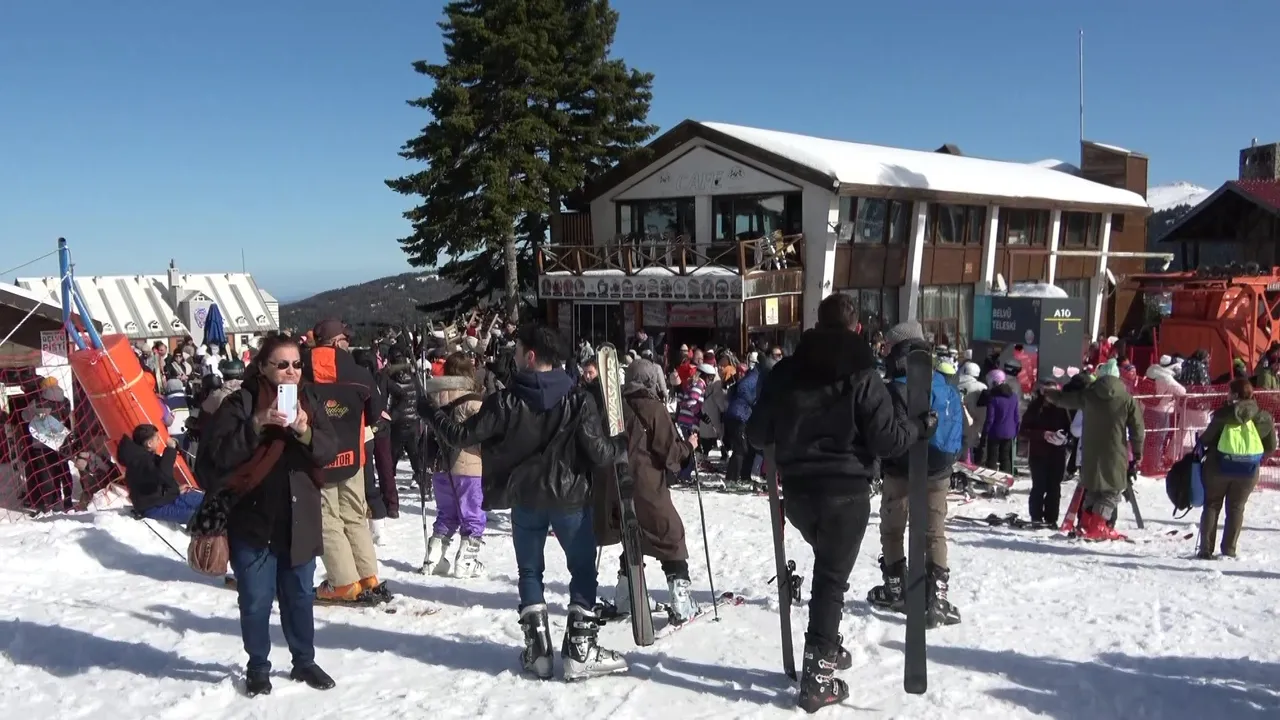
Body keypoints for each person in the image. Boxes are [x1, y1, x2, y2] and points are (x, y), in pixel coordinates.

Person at [747, 296, 925, 714]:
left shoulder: (788, 371)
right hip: (845, 492)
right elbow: (887, 440)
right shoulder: (863, 374)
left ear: (817, 323)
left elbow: (756, 433)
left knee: (828, 570)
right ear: (856, 327)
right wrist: (917, 427)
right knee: (830, 581)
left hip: (799, 494)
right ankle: (818, 677)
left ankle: (826, 645)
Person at [419, 323, 626, 681]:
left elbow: (460, 435)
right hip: (571, 499)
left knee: (530, 572)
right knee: (582, 571)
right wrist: (621, 443)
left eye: (516, 351)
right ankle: (580, 650)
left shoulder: (506, 401)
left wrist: (430, 411)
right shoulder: (578, 399)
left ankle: (538, 651)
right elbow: (601, 453)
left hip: (525, 498)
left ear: (530, 356)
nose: (513, 357)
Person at [197, 334, 339, 697]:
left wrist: (304, 431)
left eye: (297, 364)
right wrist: (256, 425)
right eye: (283, 364)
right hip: (253, 519)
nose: (292, 371)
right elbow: (217, 456)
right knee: (256, 601)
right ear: (262, 367)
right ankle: (258, 666)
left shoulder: (309, 399)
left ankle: (304, 661)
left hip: (299, 518)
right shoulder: (240, 402)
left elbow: (329, 450)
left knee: (300, 597)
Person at [869, 320, 963, 630]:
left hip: (900, 470)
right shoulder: (942, 382)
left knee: (893, 529)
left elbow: (886, 433)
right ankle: (936, 599)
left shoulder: (894, 385)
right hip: (937, 469)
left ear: (898, 347)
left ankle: (897, 590)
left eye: (888, 346)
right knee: (934, 532)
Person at [596, 358, 700, 624]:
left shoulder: (614, 407)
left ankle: (626, 596)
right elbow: (670, 451)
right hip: (646, 484)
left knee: (633, 536)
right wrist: (689, 446)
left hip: (615, 483)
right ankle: (681, 601)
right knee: (670, 535)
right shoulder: (653, 407)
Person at [305, 318, 387, 603]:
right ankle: (367, 576)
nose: (349, 344)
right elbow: (376, 413)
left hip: (316, 454)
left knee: (327, 518)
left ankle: (343, 582)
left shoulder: (300, 368)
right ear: (336, 341)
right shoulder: (358, 372)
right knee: (354, 515)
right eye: (346, 339)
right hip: (353, 454)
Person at [1044, 361, 1144, 540]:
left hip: (1090, 451)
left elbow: (1066, 400)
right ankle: (1098, 527)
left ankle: (1085, 525)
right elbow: (1137, 429)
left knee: (1093, 489)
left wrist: (1050, 394)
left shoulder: (1089, 395)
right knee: (1112, 491)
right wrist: (1137, 452)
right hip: (1115, 452)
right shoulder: (1127, 399)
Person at [421, 352, 487, 578]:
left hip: (440, 465)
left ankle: (433, 558)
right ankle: (466, 561)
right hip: (469, 465)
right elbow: (482, 432)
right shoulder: (473, 400)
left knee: (446, 513)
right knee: (472, 513)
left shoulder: (433, 396)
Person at [1195, 379, 1276, 558]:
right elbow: (1271, 446)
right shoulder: (1264, 417)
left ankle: (1205, 550)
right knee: (1236, 508)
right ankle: (1229, 550)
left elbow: (1206, 439)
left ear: (1235, 395)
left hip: (1217, 467)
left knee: (1212, 505)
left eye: (1229, 391)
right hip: (1248, 470)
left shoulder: (1222, 415)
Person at [118, 424, 204, 524]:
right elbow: (164, 474)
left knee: (204, 500)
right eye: (157, 439)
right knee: (197, 517)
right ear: (150, 443)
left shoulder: (145, 457)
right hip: (152, 507)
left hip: (164, 499)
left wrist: (175, 490)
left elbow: (157, 480)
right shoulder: (140, 462)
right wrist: (170, 449)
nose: (159, 441)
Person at [1019, 380, 1073, 525]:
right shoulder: (1035, 407)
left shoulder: (1063, 408)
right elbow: (1023, 430)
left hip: (1057, 452)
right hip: (1038, 453)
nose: (1050, 395)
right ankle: (1036, 517)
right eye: (1046, 392)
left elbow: (1071, 430)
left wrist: (1064, 438)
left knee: (1054, 487)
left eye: (1053, 392)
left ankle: (1051, 518)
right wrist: (1042, 434)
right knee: (1039, 486)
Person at [981, 369, 1019, 474]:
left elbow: (990, 419)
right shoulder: (1013, 396)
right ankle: (1006, 477)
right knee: (1005, 457)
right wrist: (1016, 430)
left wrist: (985, 433)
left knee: (992, 458)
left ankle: (991, 478)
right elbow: (1016, 416)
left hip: (995, 432)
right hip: (1009, 432)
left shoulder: (993, 398)